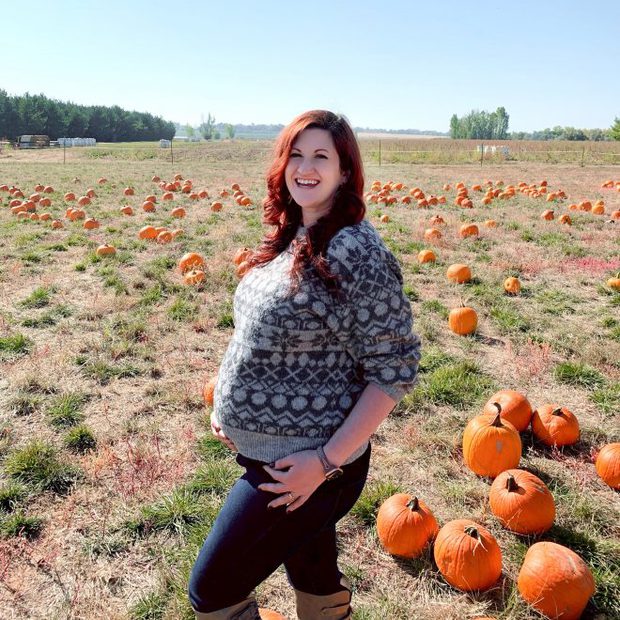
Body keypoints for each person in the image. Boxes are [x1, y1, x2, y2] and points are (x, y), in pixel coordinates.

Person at [188, 110, 421, 619]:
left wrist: (325, 462)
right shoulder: (293, 232)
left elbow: (395, 368)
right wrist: (229, 407)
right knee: (312, 569)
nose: (306, 166)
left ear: (345, 171)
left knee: (212, 591)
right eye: (297, 154)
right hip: (274, 456)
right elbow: (260, 335)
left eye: (322, 156)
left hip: (304, 467)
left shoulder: (356, 249)